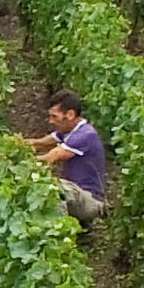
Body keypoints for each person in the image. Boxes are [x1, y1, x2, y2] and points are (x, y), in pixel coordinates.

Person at [28, 93, 107, 223]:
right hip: (79, 195)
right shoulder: (69, 131)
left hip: (91, 201)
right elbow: (40, 143)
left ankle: (60, 229)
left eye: (54, 116)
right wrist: (15, 145)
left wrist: (18, 165)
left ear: (70, 115)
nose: (50, 121)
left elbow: (51, 157)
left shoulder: (84, 135)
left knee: (52, 188)